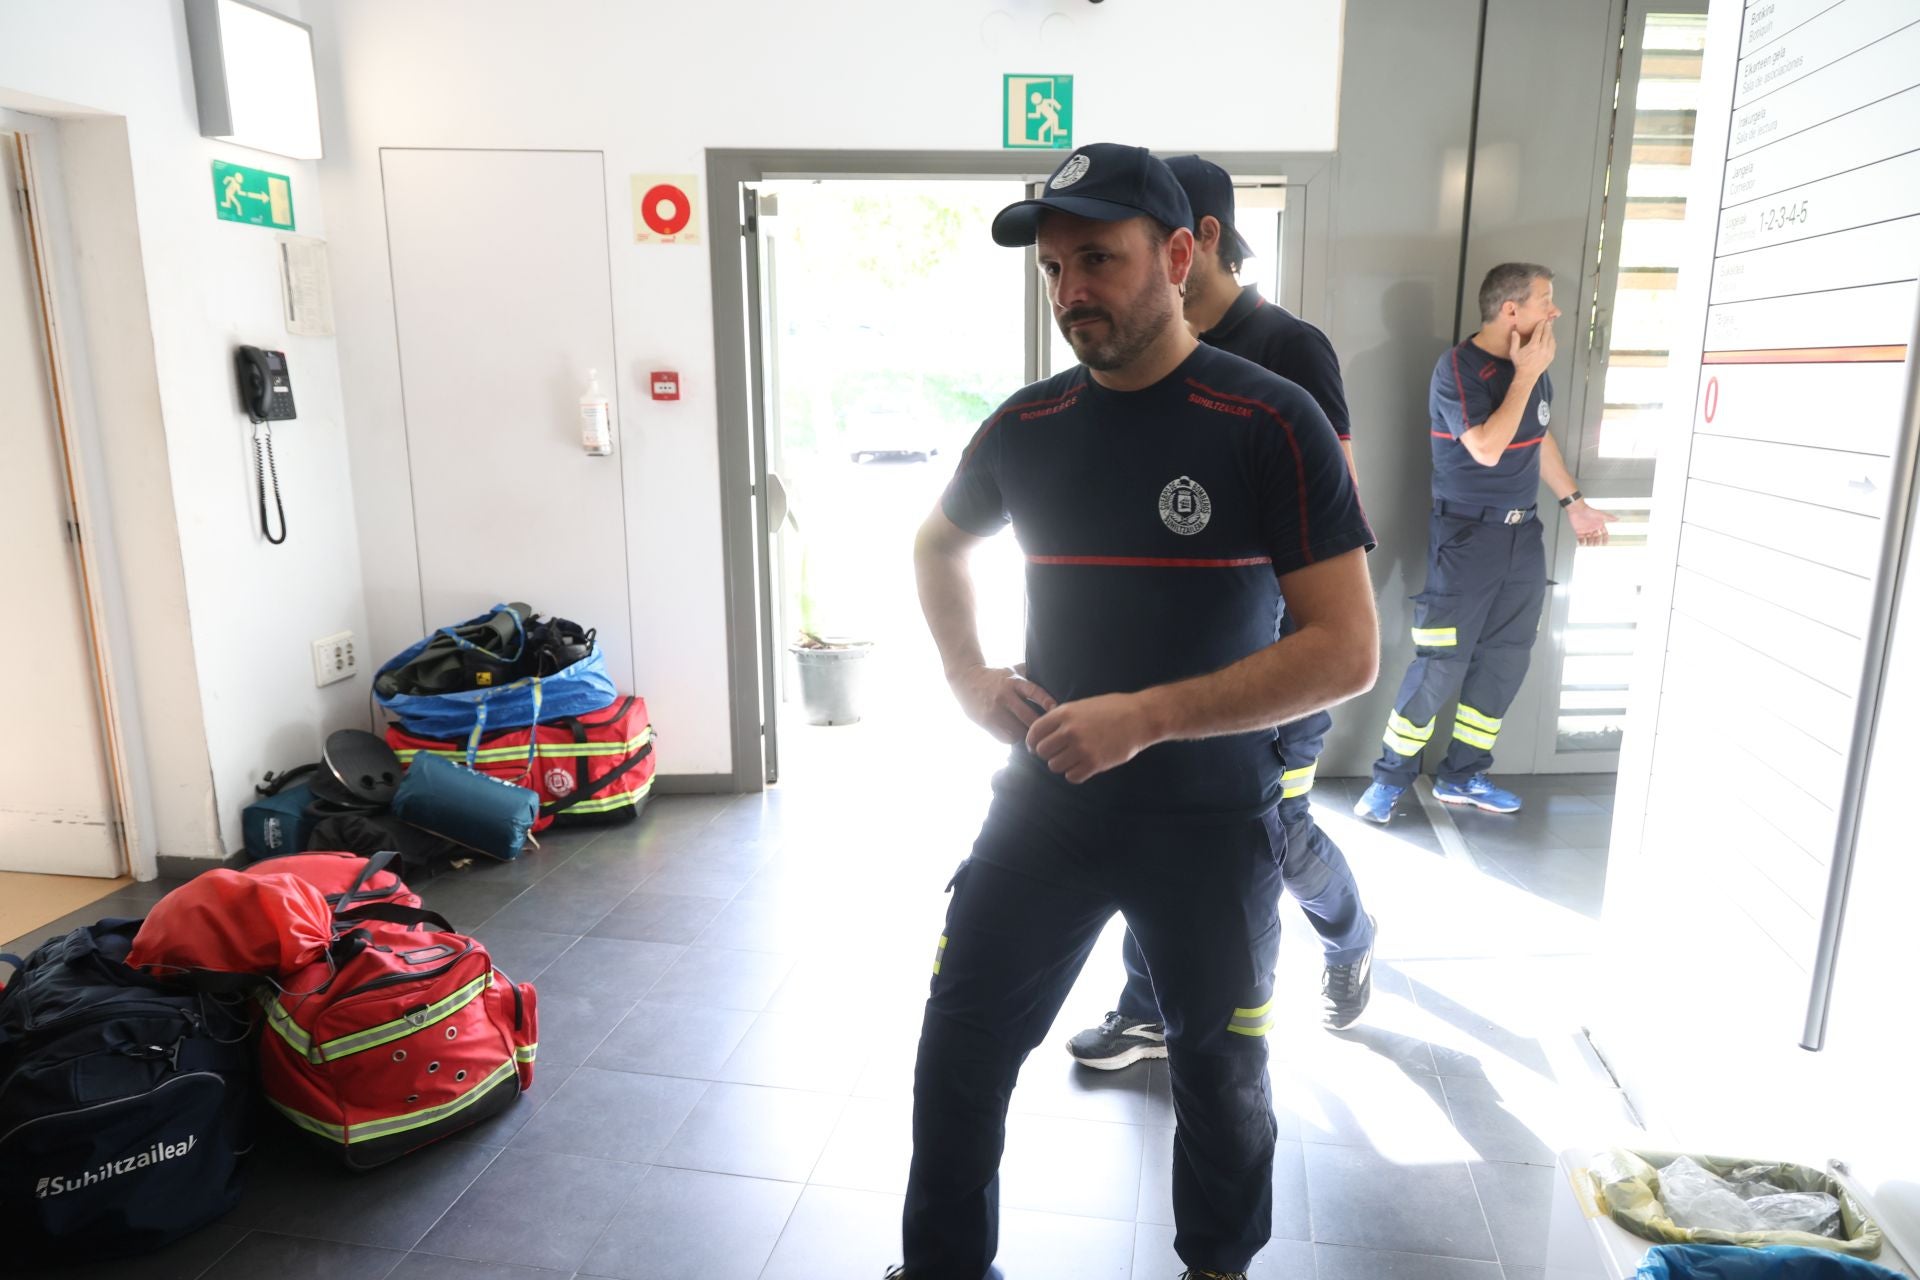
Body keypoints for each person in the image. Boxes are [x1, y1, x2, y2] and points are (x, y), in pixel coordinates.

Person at [890, 143, 1378, 1280]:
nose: (1071, 292)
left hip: (1211, 817)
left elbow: (1347, 649)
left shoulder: (1270, 418)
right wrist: (967, 677)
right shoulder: (1028, 423)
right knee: (959, 1047)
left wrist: (1148, 716)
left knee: (1222, 1073)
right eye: (1053, 269)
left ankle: (1217, 1266)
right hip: (1046, 804)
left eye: (1098, 260)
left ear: (1178, 255)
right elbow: (937, 543)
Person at [1063, 155, 1377, 1076]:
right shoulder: (1142, 354)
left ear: (1194, 240)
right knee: (1158, 819)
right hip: (1170, 662)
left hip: (1274, 664)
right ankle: (1150, 1010)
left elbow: (1336, 522)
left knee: (1275, 836)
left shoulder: (1288, 349)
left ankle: (1349, 938)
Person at [1354, 263, 1616, 824]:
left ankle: (1463, 775)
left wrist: (1574, 504)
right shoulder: (1459, 368)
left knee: (1503, 663)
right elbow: (1487, 448)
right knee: (1440, 666)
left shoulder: (1532, 367)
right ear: (1511, 310)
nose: (1555, 311)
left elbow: (1535, 437)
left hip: (1523, 537)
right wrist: (1524, 376)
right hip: (1466, 539)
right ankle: (1388, 781)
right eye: (1545, 300)